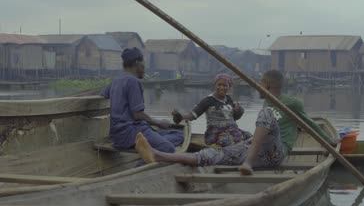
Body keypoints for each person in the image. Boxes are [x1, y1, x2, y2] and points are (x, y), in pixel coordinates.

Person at [135, 70, 337, 174]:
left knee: (263, 117)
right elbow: (194, 113)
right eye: (219, 84)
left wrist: (330, 141)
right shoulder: (210, 100)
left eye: (260, 82)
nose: (257, 85)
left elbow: (309, 124)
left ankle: (247, 162)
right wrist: (180, 116)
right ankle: (159, 155)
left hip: (277, 152)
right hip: (259, 154)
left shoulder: (291, 102)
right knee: (215, 153)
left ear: (268, 85)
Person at [101, 47, 183, 153]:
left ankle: (155, 142)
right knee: (168, 148)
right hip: (131, 133)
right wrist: (158, 123)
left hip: (118, 135)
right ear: (137, 63)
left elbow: (104, 94)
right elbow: (137, 115)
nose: (144, 68)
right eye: (143, 64)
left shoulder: (116, 80)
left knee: (179, 134)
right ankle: (141, 163)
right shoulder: (133, 81)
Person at [172, 73, 251, 147]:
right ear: (215, 85)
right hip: (216, 134)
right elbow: (192, 115)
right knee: (234, 143)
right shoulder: (208, 100)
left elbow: (235, 118)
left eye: (224, 85)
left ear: (229, 87)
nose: (221, 87)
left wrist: (240, 110)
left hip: (232, 131)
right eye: (219, 84)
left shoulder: (229, 99)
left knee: (250, 137)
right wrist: (180, 117)